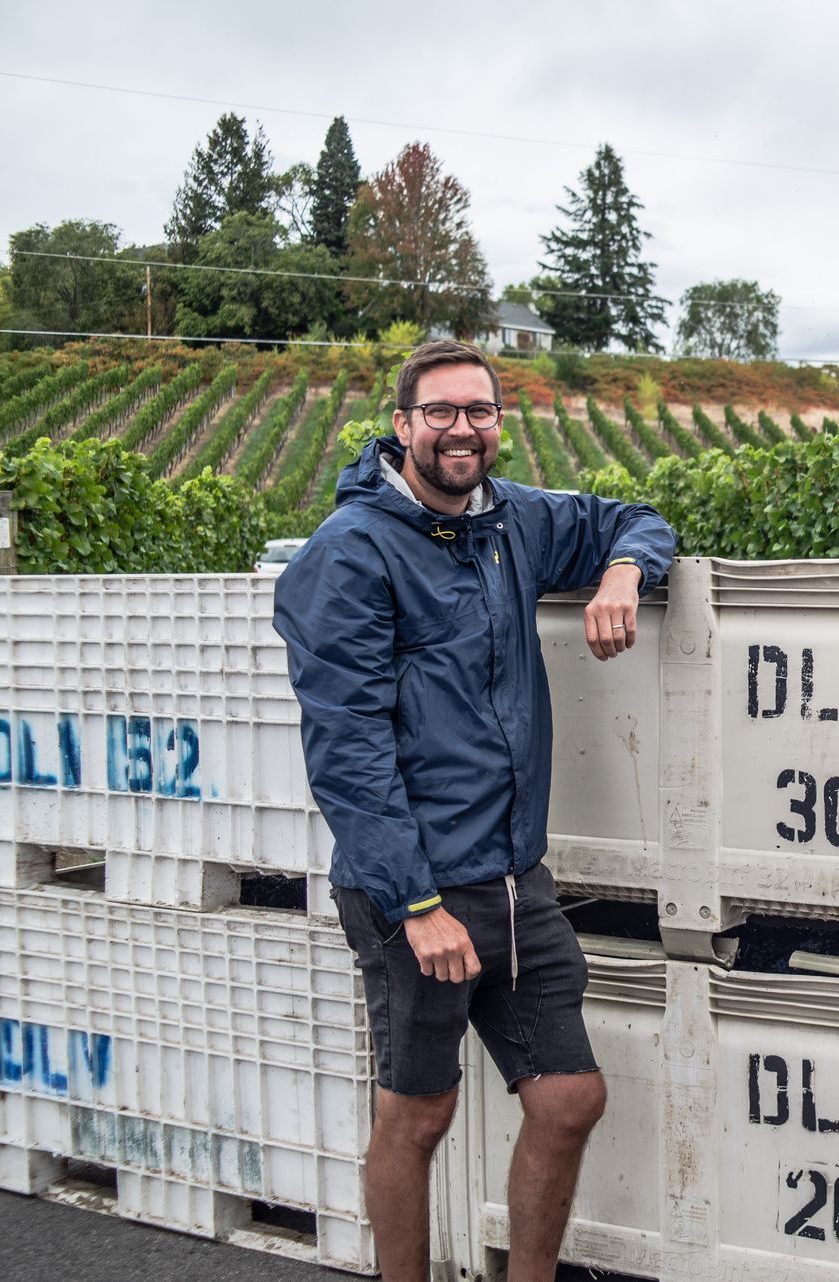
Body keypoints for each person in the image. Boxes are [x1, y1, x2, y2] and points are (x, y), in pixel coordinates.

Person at [273, 340, 675, 1282]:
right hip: (412, 891)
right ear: (403, 424)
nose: (463, 429)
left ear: (500, 424)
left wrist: (623, 573)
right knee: (420, 1111)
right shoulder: (352, 553)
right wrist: (417, 905)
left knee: (569, 1096)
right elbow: (347, 750)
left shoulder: (515, 522)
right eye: (442, 412)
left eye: (480, 412)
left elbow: (637, 518)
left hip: (512, 880)